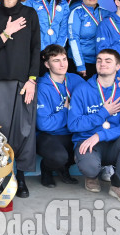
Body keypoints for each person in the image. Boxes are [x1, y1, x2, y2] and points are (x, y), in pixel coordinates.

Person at [0, 0, 40, 197]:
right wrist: (7, 32)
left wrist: (33, 80)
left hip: (24, 82)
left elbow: (36, 49)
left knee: (24, 130)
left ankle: (21, 177)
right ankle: (0, 177)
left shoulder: (30, 14)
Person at [67, 49, 120, 205]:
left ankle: (118, 186)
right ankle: (91, 176)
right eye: (99, 60)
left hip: (114, 142)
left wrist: (100, 135)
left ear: (118, 66)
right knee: (90, 167)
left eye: (108, 61)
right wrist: (103, 113)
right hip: (88, 143)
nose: (102, 64)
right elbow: (73, 124)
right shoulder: (82, 90)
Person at [36, 44, 85, 188]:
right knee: (59, 157)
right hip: (48, 135)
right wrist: (66, 110)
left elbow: (97, 88)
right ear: (47, 64)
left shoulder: (76, 80)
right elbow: (44, 124)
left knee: (86, 149)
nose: (62, 64)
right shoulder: (41, 86)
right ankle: (47, 169)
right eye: (56, 60)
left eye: (64, 59)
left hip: (71, 132)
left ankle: (64, 168)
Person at [24, 0, 70, 76]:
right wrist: (42, 50)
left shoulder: (63, 4)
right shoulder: (31, 2)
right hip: (37, 51)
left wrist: (56, 50)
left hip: (56, 54)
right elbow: (28, 28)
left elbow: (64, 29)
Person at [68, 0, 111, 77]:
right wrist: (80, 65)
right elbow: (73, 40)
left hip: (100, 62)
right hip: (80, 63)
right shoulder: (77, 12)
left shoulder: (105, 13)